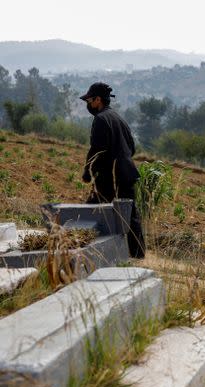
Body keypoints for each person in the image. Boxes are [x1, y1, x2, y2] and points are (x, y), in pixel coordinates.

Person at [80, 82, 145, 258]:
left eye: (89, 100)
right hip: (127, 173)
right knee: (130, 214)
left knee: (90, 211)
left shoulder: (101, 119)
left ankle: (81, 249)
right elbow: (132, 148)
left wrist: (88, 171)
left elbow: (97, 149)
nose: (88, 104)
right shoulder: (118, 118)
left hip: (111, 176)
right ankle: (138, 255)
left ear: (97, 99)